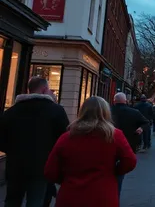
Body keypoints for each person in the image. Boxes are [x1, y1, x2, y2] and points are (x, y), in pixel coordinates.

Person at [44, 96, 137, 207]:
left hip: (71, 195)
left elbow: (50, 170)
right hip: (103, 196)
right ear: (106, 113)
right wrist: (114, 172)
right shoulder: (114, 135)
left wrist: (65, 178)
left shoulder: (67, 137)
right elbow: (130, 161)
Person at [0, 77, 69, 207]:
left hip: (15, 165)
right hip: (41, 166)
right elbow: (64, 139)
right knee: (36, 201)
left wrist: (13, 151)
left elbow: (2, 139)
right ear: (44, 90)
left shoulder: (11, 111)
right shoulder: (56, 111)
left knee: (12, 200)